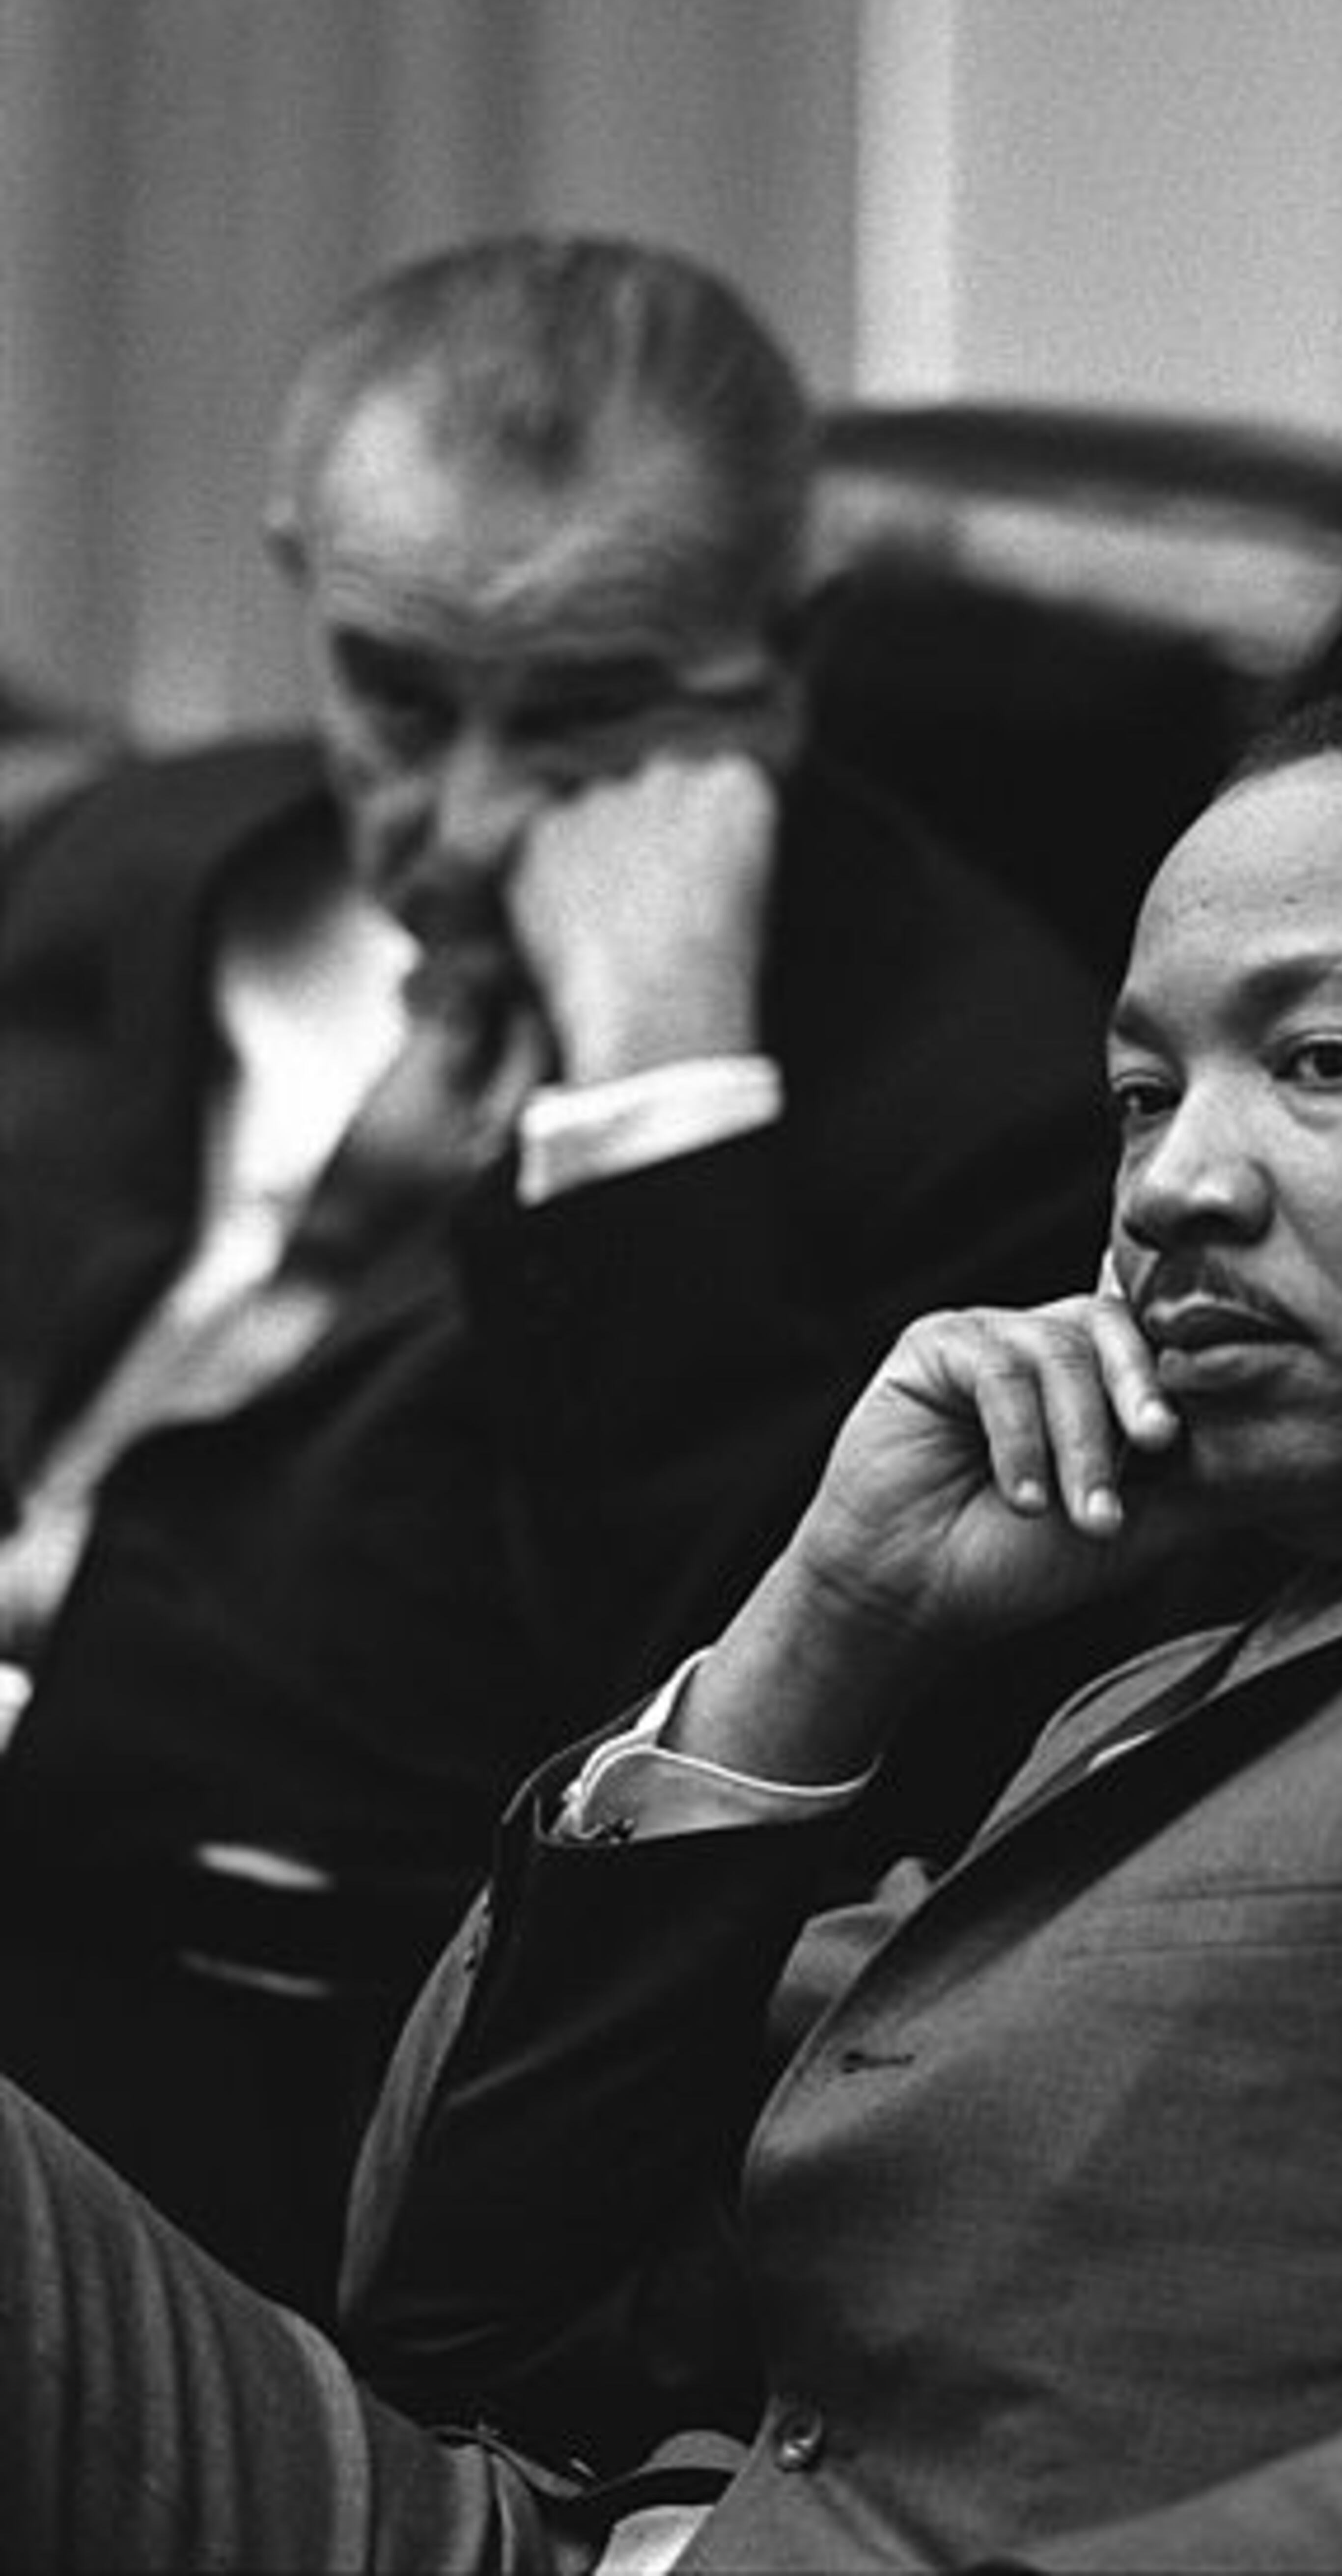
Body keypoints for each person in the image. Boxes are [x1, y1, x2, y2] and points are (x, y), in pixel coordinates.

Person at [3, 674, 1342, 2575]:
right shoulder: (1177, 1660)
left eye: (1323, 1059)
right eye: (1143, 1095)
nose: (1175, 1183)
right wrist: (827, 1623)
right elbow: (445, 2299)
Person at [0, 233, 1113, 2317]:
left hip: (267, 2117)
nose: (469, 822)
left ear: (788, 649)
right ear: (303, 575)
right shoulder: (121, 865)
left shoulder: (992, 1113)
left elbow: (731, 1785)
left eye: (595, 718)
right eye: (397, 696)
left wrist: (658, 1102)